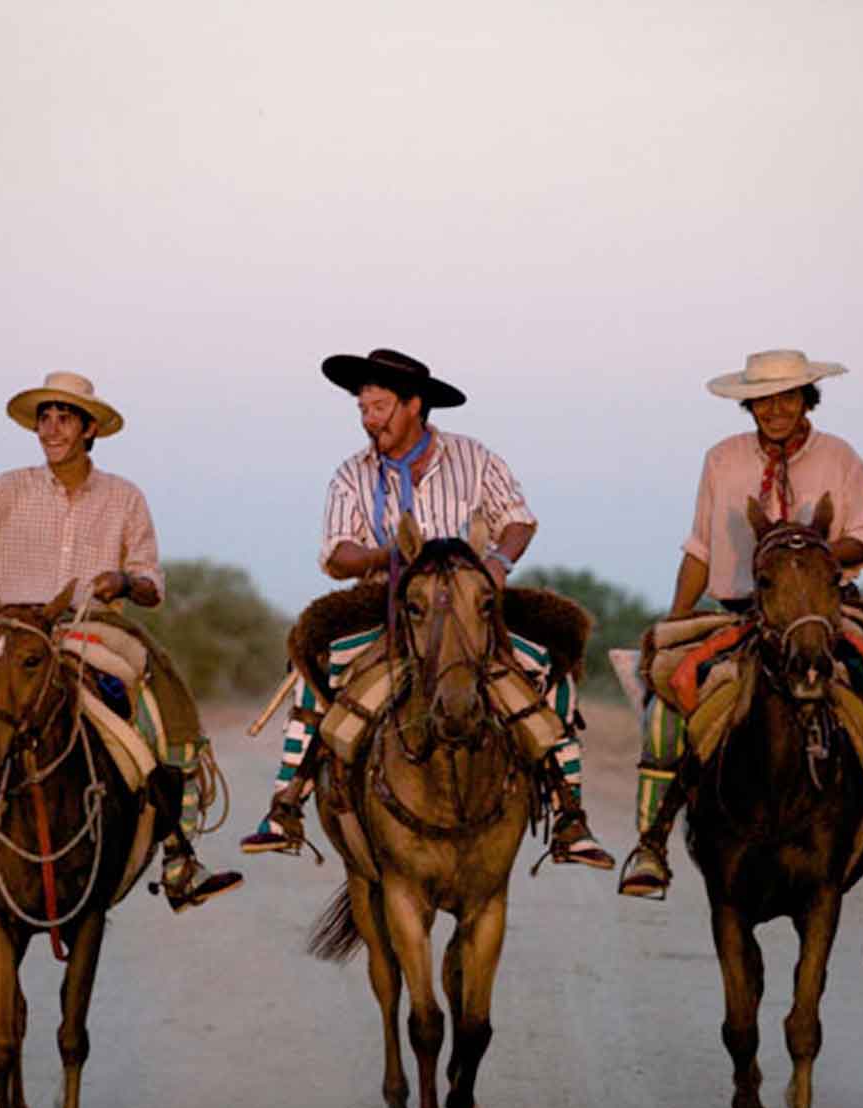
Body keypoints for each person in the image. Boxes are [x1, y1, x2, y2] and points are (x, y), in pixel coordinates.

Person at [239, 347, 613, 868]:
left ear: (413, 405)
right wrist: (385, 555)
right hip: (388, 603)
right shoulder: (352, 474)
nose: (369, 420)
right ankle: (287, 803)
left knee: (551, 665)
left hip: (469, 605)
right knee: (313, 664)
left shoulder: (473, 457)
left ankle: (568, 812)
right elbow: (336, 553)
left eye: (379, 408)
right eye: (363, 409)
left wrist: (499, 562)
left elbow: (518, 519)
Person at [616, 349, 863, 903]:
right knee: (668, 694)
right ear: (749, 405)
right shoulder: (722, 460)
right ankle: (651, 842)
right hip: (740, 611)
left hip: (823, 611)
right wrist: (678, 618)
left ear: (806, 399)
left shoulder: (841, 457)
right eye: (763, 400)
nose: (775, 410)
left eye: (787, 398)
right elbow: (701, 547)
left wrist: (805, 551)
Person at [0, 370, 240, 912]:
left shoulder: (125, 497)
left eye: (65, 418)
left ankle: (179, 854)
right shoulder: (7, 489)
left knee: (160, 710)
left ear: (89, 428)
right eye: (45, 419)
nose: (51, 429)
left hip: (91, 628)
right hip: (12, 635)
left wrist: (124, 582)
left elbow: (151, 583)